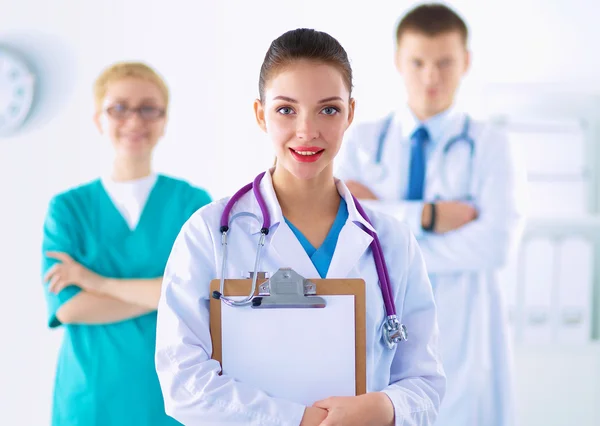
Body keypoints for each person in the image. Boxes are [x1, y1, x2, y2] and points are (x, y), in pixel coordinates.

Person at [155, 28, 445, 426]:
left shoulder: (392, 241)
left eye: (328, 109)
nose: (307, 131)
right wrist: (302, 420)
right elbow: (182, 381)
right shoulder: (208, 234)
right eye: (286, 110)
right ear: (261, 114)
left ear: (350, 113)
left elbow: (425, 383)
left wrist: (384, 408)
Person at [335, 4, 528, 426]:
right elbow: (346, 229)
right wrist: (428, 216)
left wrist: (386, 221)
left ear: (466, 63)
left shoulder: (490, 145)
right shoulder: (362, 140)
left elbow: (493, 245)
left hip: (462, 325)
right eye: (418, 62)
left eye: (445, 62)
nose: (431, 77)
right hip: (384, 311)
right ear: (397, 62)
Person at [41, 61, 212, 426]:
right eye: (119, 108)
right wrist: (162, 293)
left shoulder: (192, 204)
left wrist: (97, 282)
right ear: (98, 119)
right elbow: (69, 307)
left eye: (148, 109)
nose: (134, 121)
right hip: (90, 397)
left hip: (172, 395)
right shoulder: (68, 209)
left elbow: (201, 299)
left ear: (164, 121)